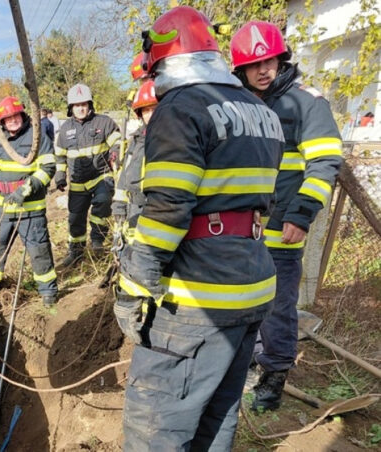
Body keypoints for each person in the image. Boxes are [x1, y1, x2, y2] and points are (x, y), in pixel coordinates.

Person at [115, 6, 284, 450]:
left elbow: (168, 207)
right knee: (216, 421)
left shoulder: (180, 108)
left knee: (157, 428)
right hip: (252, 287)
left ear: (162, 63)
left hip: (197, 300)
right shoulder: (258, 108)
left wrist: (134, 286)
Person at [230, 20, 343, 412]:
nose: (263, 70)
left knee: (278, 309)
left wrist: (301, 215)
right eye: (254, 64)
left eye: (271, 61)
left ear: (282, 60)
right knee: (245, 304)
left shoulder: (307, 103)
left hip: (282, 229)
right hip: (242, 230)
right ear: (240, 70)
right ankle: (250, 362)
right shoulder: (240, 105)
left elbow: (325, 163)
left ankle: (274, 377)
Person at [0, 96, 59, 307]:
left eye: (15, 116)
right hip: (2, 210)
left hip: (29, 210)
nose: (12, 120)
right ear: (2, 122)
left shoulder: (37, 138)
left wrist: (25, 190)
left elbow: (48, 169)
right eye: (7, 118)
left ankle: (48, 292)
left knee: (38, 250)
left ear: (22, 115)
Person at [54, 83, 122, 269]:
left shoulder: (104, 122)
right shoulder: (64, 131)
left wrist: (115, 155)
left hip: (101, 176)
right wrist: (60, 176)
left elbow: (117, 142)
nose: (81, 108)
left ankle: (98, 242)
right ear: (71, 108)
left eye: (84, 104)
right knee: (75, 218)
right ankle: (76, 252)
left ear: (90, 104)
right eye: (77, 105)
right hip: (77, 183)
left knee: (102, 201)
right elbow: (59, 156)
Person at [112, 79, 157, 260]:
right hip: (133, 210)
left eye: (155, 108)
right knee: (131, 253)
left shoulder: (172, 138)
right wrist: (119, 209)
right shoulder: (137, 140)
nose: (150, 114)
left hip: (156, 210)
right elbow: (125, 177)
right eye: (146, 110)